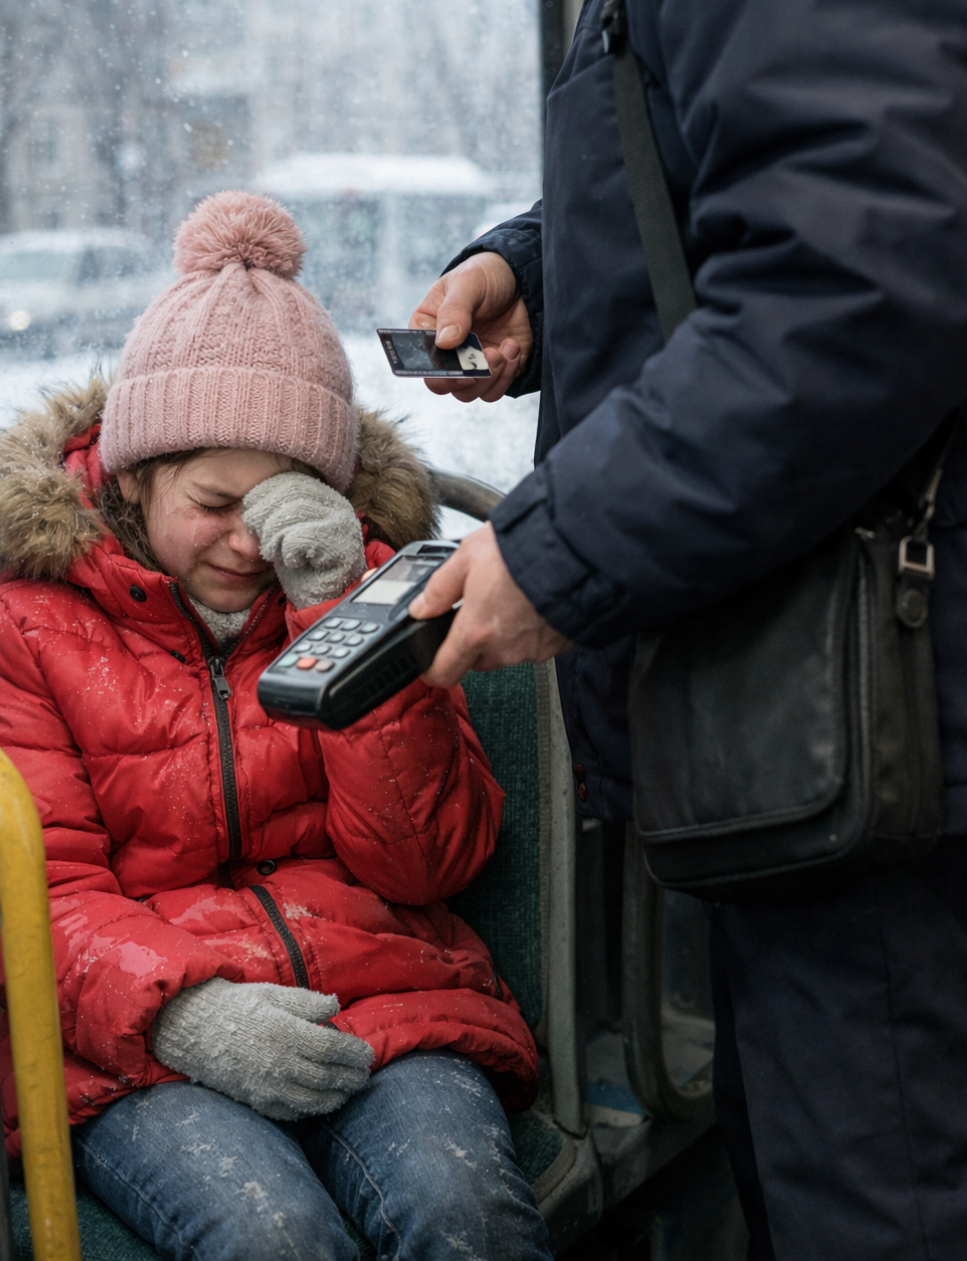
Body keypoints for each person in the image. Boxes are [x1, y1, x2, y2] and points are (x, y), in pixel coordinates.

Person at [406, 1, 967, 1258]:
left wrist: (557, 553)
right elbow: (762, 176)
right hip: (823, 711)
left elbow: (852, 271)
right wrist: (540, 271)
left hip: (882, 717)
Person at [0, 190, 552, 1261]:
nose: (248, 538)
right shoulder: (28, 630)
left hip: (378, 991)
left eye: (287, 501)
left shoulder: (372, 594)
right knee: (271, 1234)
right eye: (216, 500)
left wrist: (339, 615)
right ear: (134, 475)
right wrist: (181, 1013)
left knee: (463, 1210)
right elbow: (41, 896)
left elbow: (426, 864)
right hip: (143, 1038)